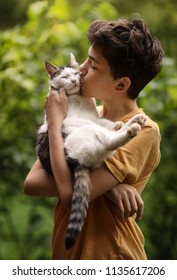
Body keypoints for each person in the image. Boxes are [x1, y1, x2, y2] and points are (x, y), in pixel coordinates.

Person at [24, 16, 164, 259]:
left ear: (121, 84)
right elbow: (32, 183)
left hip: (110, 257)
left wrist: (56, 123)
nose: (80, 69)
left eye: (93, 65)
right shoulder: (91, 114)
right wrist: (111, 187)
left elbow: (69, 195)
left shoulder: (143, 131)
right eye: (85, 58)